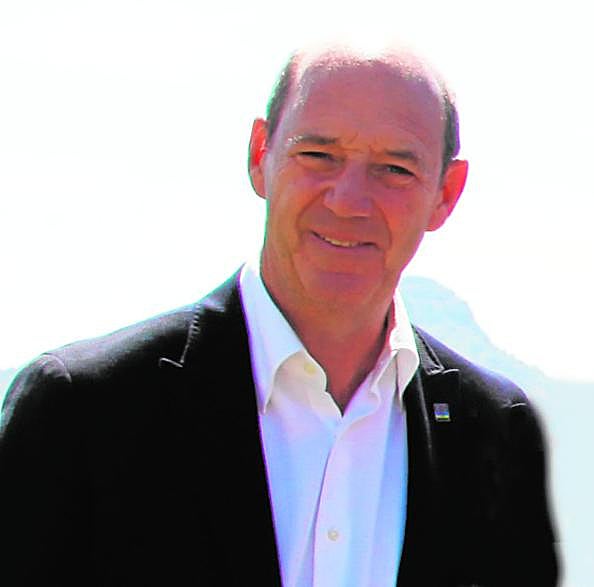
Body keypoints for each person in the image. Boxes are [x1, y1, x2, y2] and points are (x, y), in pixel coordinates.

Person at [0, 44, 559, 586]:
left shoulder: (496, 432)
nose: (347, 200)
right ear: (259, 156)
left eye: (393, 168)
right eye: (318, 156)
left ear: (446, 193)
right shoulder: (84, 412)